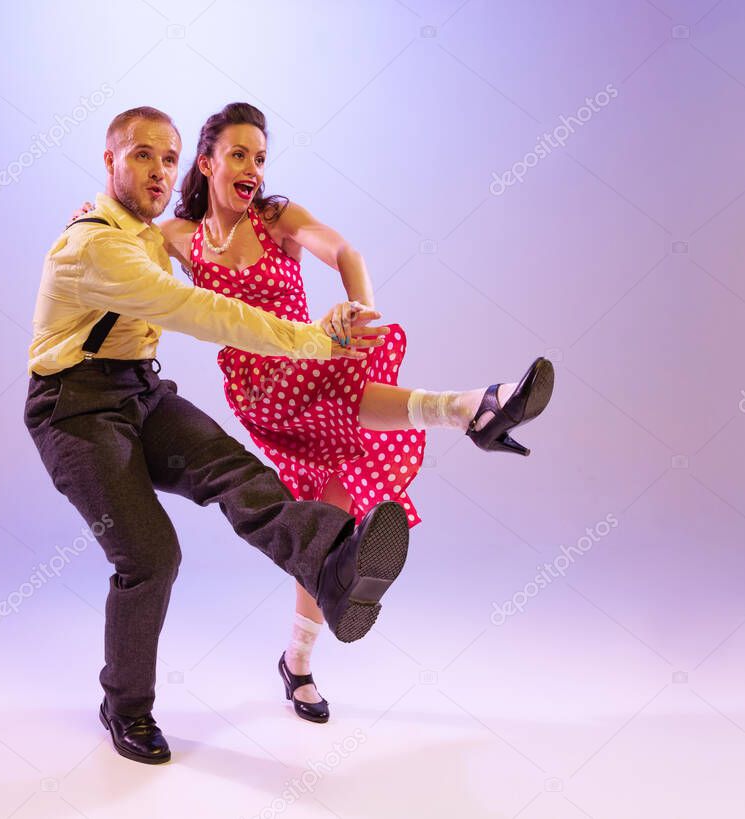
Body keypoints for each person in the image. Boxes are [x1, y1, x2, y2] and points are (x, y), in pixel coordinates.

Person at [78, 102, 555, 725]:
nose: (252, 168)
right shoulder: (177, 237)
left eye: (261, 157)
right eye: (239, 155)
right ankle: (468, 409)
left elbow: (344, 252)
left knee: (326, 525)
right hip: (263, 389)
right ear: (207, 162)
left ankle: (297, 666)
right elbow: (123, 239)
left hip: (314, 370)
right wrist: (89, 218)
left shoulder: (276, 218)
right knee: (323, 393)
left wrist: (359, 311)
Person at [25, 106, 413, 766]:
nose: (158, 169)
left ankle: (333, 563)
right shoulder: (98, 245)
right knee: (151, 555)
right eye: (141, 155)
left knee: (240, 475)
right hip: (75, 411)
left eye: (169, 158)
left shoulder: (149, 232)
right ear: (109, 161)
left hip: (139, 394)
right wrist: (314, 340)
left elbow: (215, 244)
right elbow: (201, 311)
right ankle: (125, 704)